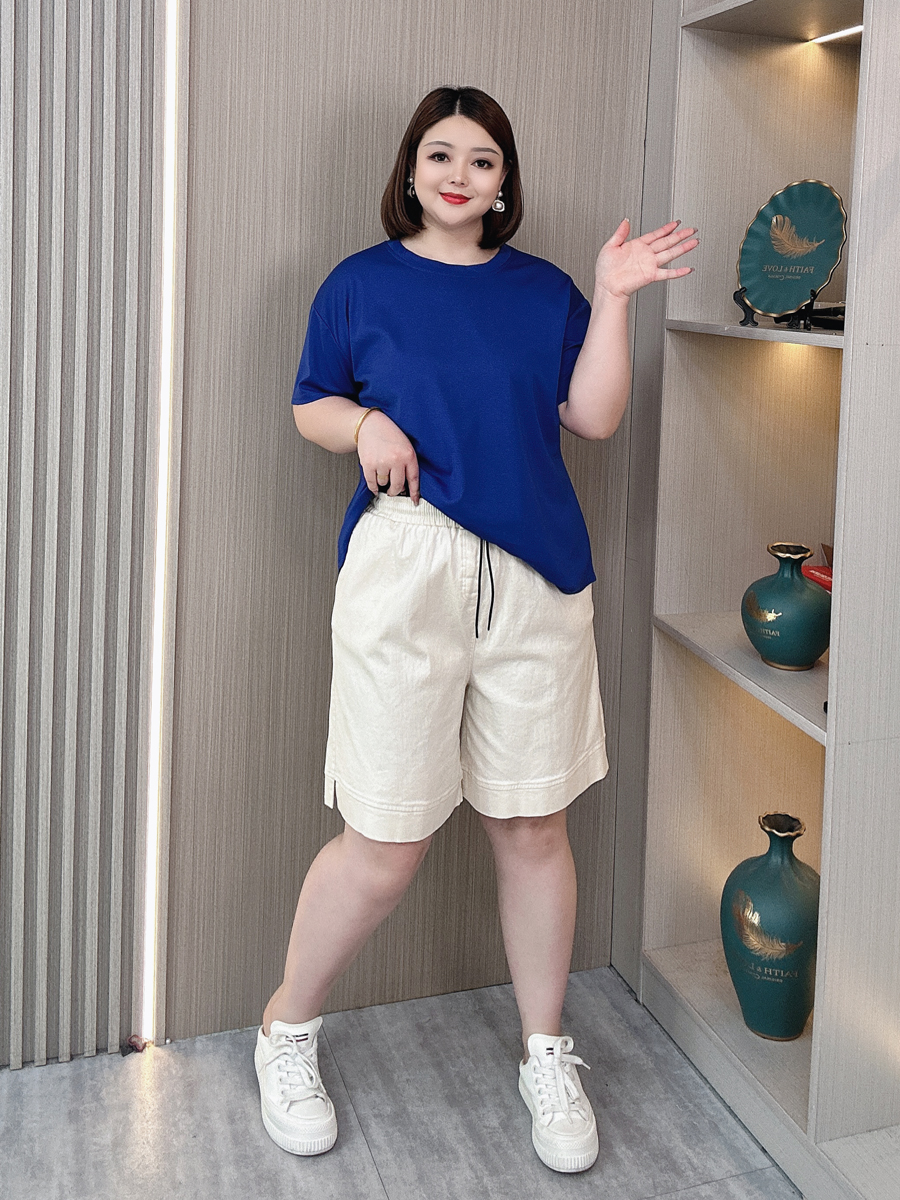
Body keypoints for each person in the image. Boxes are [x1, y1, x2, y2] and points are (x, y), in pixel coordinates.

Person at [254, 85, 696, 1174]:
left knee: (533, 826)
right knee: (384, 843)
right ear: (411, 170)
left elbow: (592, 416)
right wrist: (365, 422)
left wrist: (612, 295)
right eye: (442, 154)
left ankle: (546, 1053)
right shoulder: (358, 283)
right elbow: (312, 402)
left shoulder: (545, 291)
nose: (461, 174)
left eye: (484, 159)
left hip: (537, 578)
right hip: (407, 566)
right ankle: (286, 1029)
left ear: (504, 183)